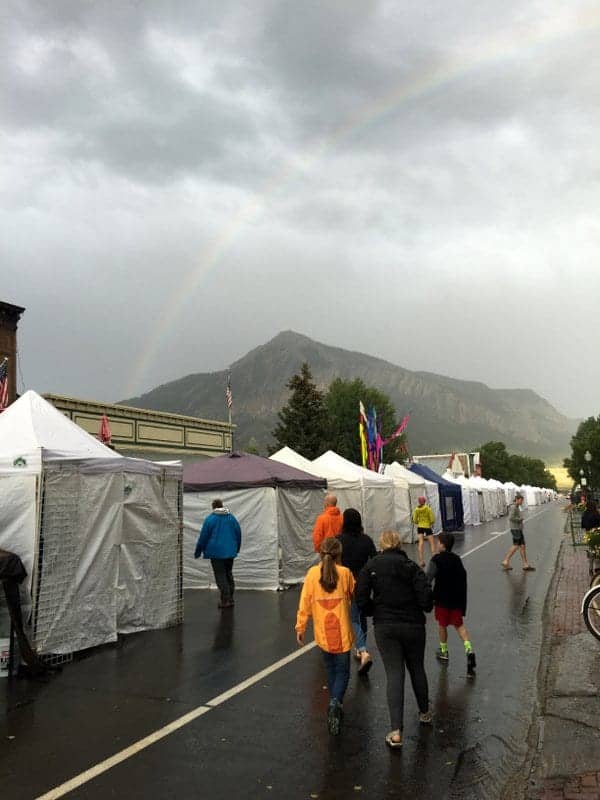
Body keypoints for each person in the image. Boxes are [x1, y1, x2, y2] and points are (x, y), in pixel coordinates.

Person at [356, 530, 433, 749]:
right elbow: (427, 600)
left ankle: (396, 731)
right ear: (399, 544)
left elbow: (360, 596)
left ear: (381, 545)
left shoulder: (372, 566)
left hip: (385, 625)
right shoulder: (410, 567)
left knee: (394, 673)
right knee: (417, 668)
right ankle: (425, 712)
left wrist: (375, 609)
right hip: (413, 625)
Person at [296, 536, 354, 736]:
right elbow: (352, 592)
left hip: (323, 634)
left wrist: (300, 627)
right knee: (343, 672)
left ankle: (333, 701)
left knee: (330, 670)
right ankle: (335, 702)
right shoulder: (345, 573)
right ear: (339, 555)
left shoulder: (312, 574)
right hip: (342, 633)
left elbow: (305, 603)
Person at [427, 533, 476, 677]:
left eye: (438, 542)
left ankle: (443, 650)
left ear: (442, 544)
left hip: (442, 599)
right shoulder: (457, 559)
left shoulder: (436, 559)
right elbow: (462, 578)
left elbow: (428, 578)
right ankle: (469, 650)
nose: (436, 544)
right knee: (459, 626)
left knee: (442, 625)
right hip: (456, 599)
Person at [338, 508, 377, 676]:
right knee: (361, 616)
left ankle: (362, 651)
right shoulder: (366, 540)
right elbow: (374, 559)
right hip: (364, 582)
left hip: (347, 582)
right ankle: (361, 648)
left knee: (352, 617)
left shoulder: (339, 540)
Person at [194, 499, 242, 608]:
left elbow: (203, 537)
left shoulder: (210, 519)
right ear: (222, 506)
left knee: (220, 575)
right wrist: (237, 548)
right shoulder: (231, 518)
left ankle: (225, 600)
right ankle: (231, 599)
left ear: (213, 507)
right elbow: (238, 533)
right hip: (230, 552)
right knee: (228, 573)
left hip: (216, 553)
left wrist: (198, 551)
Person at [501, 492, 535, 571]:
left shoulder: (517, 506)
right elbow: (511, 518)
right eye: (521, 500)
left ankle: (525, 564)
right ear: (517, 500)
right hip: (515, 529)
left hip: (518, 528)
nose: (522, 502)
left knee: (522, 545)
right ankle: (505, 561)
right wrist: (520, 519)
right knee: (516, 545)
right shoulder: (514, 507)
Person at [412, 495, 436, 568]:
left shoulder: (416, 509)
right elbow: (432, 519)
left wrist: (419, 522)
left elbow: (414, 520)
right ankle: (434, 559)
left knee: (421, 543)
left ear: (419, 502)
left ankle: (421, 561)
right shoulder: (428, 509)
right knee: (432, 543)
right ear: (425, 501)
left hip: (420, 527)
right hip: (427, 527)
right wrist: (430, 523)